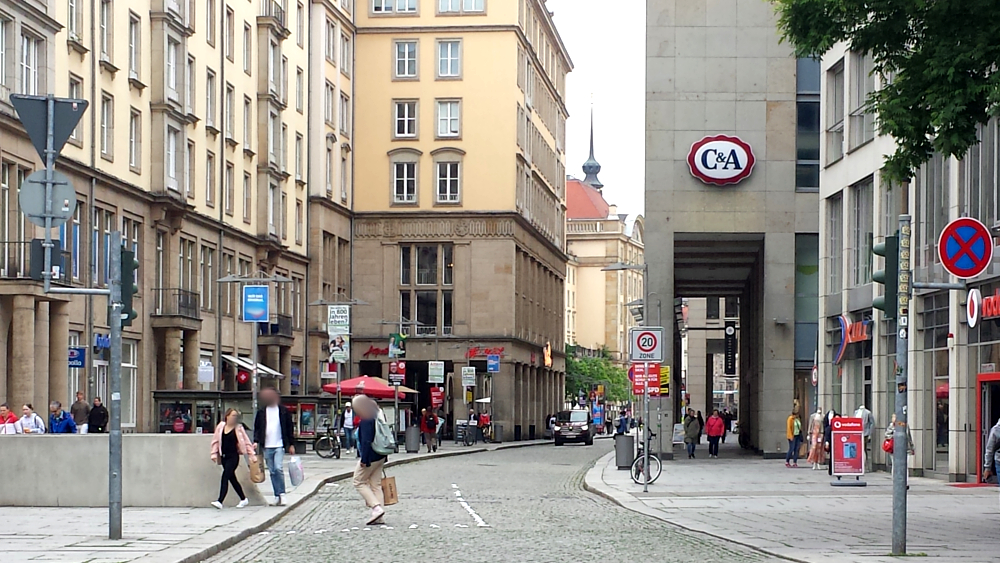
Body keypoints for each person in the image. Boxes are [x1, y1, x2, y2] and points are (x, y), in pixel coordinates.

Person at [253, 388, 295, 506]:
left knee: (278, 468)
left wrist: (291, 444)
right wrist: (256, 441)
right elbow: (258, 428)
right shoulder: (262, 412)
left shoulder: (283, 411)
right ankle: (277, 495)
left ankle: (282, 494)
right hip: (267, 445)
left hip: (279, 444)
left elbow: (289, 428)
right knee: (271, 471)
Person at [210, 408, 256, 509]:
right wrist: (214, 453)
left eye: (236, 416)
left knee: (225, 476)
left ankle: (220, 501)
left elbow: (246, 442)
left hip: (233, 456)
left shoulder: (238, 428)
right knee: (232, 478)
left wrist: (252, 455)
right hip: (224, 456)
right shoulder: (221, 426)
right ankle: (243, 499)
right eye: (233, 416)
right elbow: (216, 441)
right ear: (227, 416)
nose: (235, 418)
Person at [353, 395, 387, 525]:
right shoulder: (378, 417)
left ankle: (376, 508)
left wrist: (364, 459)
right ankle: (379, 517)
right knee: (375, 484)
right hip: (380, 455)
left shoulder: (367, 420)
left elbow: (367, 440)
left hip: (371, 456)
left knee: (358, 481)